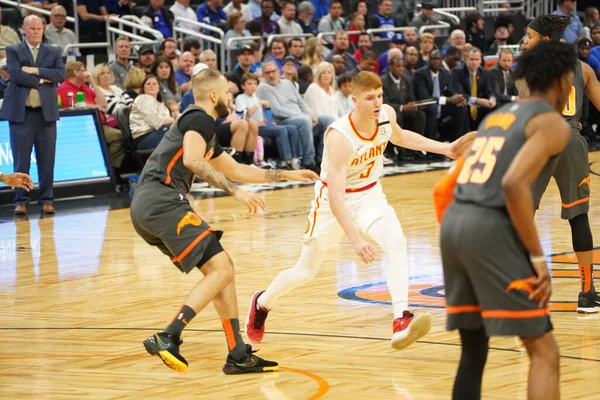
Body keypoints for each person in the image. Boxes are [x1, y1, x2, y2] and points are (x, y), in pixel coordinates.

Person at [246, 71, 466, 350]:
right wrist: (356, 239)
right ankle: (262, 302)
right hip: (331, 203)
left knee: (397, 243)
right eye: (370, 98)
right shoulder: (340, 136)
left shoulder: (385, 114)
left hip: (370, 194)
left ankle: (401, 318)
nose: (377, 103)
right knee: (305, 271)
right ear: (354, 100)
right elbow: (336, 198)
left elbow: (399, 136)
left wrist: (445, 148)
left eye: (380, 96)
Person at [131, 68, 319, 374]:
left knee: (222, 270)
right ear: (214, 95)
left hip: (150, 205)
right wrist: (236, 193)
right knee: (223, 268)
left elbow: (237, 169)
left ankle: (237, 353)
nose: (231, 99)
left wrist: (287, 174)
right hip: (160, 200)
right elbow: (193, 160)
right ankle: (169, 334)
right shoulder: (199, 118)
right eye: (229, 93)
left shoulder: (203, 129)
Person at [439, 40, 576, 400]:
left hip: (455, 222)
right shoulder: (551, 123)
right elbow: (514, 183)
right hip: (489, 227)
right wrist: (535, 257)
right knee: (544, 350)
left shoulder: (499, 115)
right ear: (563, 79)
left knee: (474, 349)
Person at [518, 14, 600, 313]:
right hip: (571, 141)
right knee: (579, 218)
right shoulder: (585, 68)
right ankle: (588, 294)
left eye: (529, 35)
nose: (525, 40)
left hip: (540, 142)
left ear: (546, 40)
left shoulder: (528, 69)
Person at [0, 15, 65, 217]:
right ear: (24, 30)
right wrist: (44, 79)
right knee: (21, 162)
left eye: (39, 28)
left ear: (43, 30)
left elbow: (60, 75)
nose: (36, 31)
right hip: (22, 114)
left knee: (48, 160)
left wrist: (35, 70)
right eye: (32, 28)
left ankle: (47, 200)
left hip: (46, 115)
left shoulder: (53, 51)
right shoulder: (13, 50)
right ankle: (21, 201)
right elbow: (16, 75)